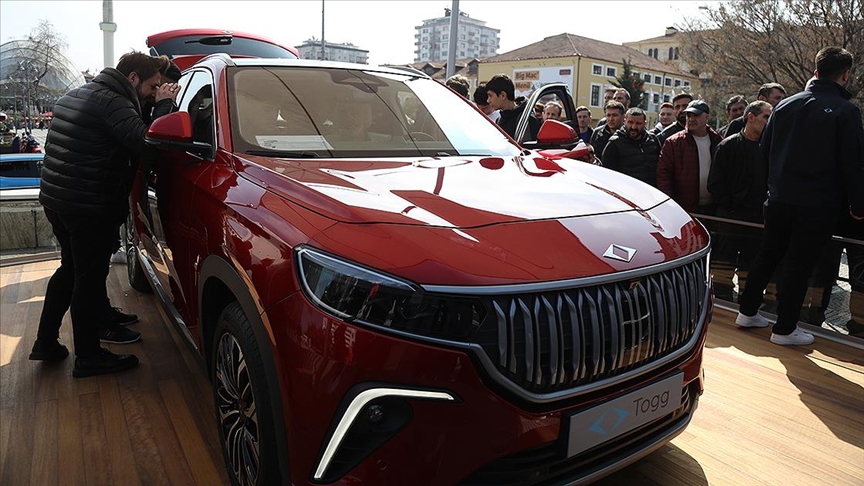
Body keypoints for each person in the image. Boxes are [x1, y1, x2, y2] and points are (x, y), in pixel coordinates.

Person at [29, 51, 178, 377]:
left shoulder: (80, 93)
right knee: (88, 278)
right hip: (87, 205)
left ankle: (46, 341)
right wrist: (165, 106)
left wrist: (153, 100)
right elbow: (146, 143)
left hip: (58, 199)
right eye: (153, 86)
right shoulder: (114, 103)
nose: (155, 92)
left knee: (71, 270)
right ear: (133, 78)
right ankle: (88, 356)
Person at [734, 47, 864, 346]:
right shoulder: (846, 111)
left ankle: (747, 312)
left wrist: (770, 189)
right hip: (817, 203)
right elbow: (853, 164)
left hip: (778, 198)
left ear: (816, 71)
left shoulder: (784, 105)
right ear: (845, 75)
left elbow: (764, 152)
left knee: (768, 255)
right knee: (799, 264)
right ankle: (784, 329)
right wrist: (858, 206)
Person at [707, 100, 772, 301]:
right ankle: (722, 300)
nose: (769, 122)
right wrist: (730, 208)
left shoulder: (769, 147)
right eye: (766, 117)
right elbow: (715, 183)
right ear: (751, 117)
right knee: (725, 259)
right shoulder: (728, 145)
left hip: (757, 218)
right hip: (731, 217)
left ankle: (748, 301)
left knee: (751, 262)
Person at [656, 99, 723, 214]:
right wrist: (669, 204)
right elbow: (663, 175)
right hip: (683, 208)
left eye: (696, 115)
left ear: (707, 117)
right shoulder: (673, 143)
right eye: (688, 115)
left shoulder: (718, 141)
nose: (691, 119)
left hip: (713, 207)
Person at [602, 107, 662, 186]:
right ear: (625, 121)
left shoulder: (653, 140)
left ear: (644, 123)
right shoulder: (615, 143)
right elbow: (607, 175)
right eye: (630, 122)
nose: (633, 127)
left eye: (638, 123)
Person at [486, 73, 540, 141]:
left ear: (503, 95)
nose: (488, 100)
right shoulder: (499, 120)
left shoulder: (526, 120)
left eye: (490, 96)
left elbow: (527, 146)